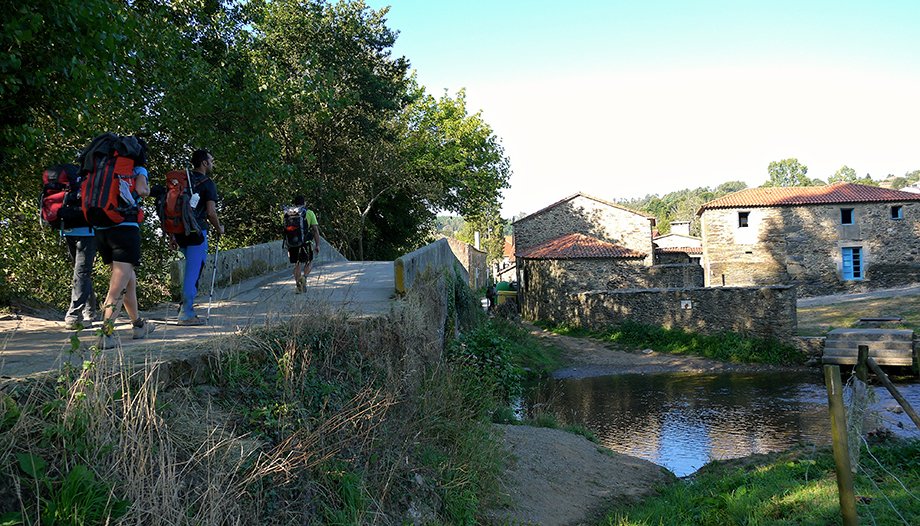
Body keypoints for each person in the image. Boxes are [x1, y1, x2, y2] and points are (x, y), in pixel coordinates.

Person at [95, 164, 155, 347]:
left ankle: (138, 325)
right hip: (125, 227)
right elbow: (142, 190)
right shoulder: (135, 168)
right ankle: (106, 334)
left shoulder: (102, 166)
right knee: (118, 285)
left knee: (128, 279)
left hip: (101, 228)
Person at [169, 149, 223, 325]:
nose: (213, 163)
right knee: (193, 272)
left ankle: (184, 307)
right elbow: (211, 212)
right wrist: (219, 228)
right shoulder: (208, 183)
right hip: (196, 232)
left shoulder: (183, 181)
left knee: (192, 270)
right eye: (211, 160)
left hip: (179, 231)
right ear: (204, 163)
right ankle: (186, 313)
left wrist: (172, 235)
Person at [63, 222, 98, 330]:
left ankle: (74, 314)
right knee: (82, 273)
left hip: (74, 229)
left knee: (81, 272)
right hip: (78, 230)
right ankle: (88, 311)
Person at [287, 195, 320, 293]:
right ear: (304, 203)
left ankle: (298, 285)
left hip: (292, 243)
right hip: (305, 243)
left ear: (294, 203)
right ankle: (304, 278)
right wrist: (317, 244)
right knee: (309, 262)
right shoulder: (309, 213)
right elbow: (315, 230)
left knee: (297, 264)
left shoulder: (288, 214)